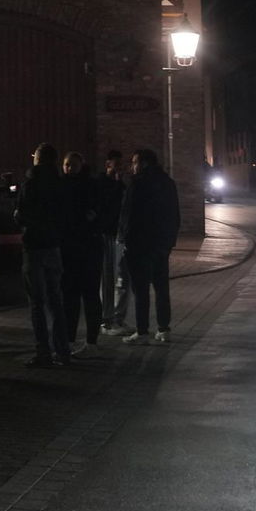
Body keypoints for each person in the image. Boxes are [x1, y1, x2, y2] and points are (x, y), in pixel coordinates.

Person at [16, 142, 71, 366]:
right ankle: (63, 350)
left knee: (37, 302)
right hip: (53, 246)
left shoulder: (30, 183)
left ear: (37, 158)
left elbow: (22, 214)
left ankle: (43, 352)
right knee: (56, 300)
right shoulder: (60, 184)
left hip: (34, 246)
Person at [122, 148, 181, 345]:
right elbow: (174, 215)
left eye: (135, 162)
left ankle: (142, 331)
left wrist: (125, 240)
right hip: (161, 245)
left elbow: (129, 216)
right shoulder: (168, 183)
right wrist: (169, 242)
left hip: (139, 245)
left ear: (144, 163)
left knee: (141, 290)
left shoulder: (137, 184)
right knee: (161, 287)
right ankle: (164, 329)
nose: (133, 166)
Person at [59, 151, 106, 356]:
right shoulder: (74, 185)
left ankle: (88, 341)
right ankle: (73, 340)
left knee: (86, 295)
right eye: (67, 165)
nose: (70, 169)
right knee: (73, 296)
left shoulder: (88, 186)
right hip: (77, 248)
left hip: (85, 248)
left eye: (73, 165)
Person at [97, 150, 131, 333]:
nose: (119, 169)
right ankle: (106, 320)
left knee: (124, 278)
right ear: (108, 165)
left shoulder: (122, 185)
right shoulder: (102, 184)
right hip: (107, 235)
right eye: (116, 165)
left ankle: (119, 318)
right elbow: (106, 207)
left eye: (121, 165)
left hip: (121, 236)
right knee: (108, 278)